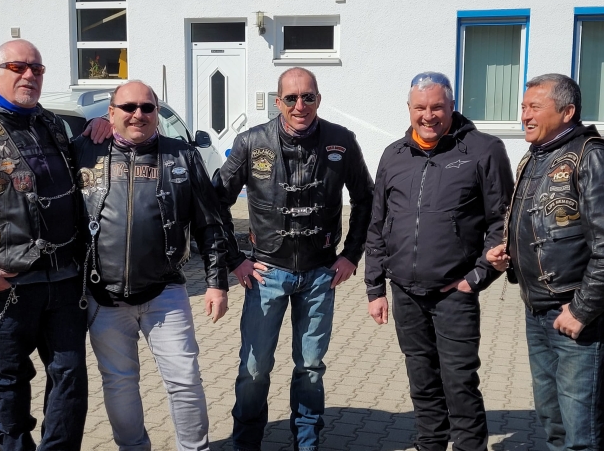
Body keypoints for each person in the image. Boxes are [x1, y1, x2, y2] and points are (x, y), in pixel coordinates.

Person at [213, 67, 374, 451]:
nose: (300, 105)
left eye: (308, 97)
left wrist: (351, 255)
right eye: (291, 98)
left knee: (311, 368)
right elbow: (214, 201)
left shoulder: (341, 140)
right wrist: (235, 260)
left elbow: (366, 198)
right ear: (278, 102)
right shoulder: (252, 142)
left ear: (319, 99)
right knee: (254, 370)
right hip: (266, 273)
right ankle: (246, 444)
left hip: (320, 274)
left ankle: (307, 443)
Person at [72, 80, 229, 451]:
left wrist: (216, 282)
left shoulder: (182, 155)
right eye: (128, 107)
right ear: (111, 113)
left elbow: (210, 223)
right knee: (119, 382)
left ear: (157, 113)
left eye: (147, 107)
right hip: (103, 296)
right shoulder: (83, 151)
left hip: (166, 292)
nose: (138, 114)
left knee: (185, 380)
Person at [366, 72, 514, 451]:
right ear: (409, 109)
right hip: (405, 292)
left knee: (459, 382)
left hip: (454, 293)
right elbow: (378, 223)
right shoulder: (394, 155)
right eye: (420, 108)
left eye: (437, 107)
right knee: (422, 382)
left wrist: (476, 278)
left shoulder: (483, 150)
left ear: (452, 106)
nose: (428, 116)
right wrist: (375, 288)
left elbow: (503, 222)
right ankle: (429, 444)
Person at [0, 39, 88, 450]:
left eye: (37, 69)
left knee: (70, 376)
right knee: (10, 379)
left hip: (64, 280)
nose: (29, 75)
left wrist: (102, 128)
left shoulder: (51, 122)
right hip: (7, 285)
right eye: (18, 67)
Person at [487, 74, 604, 449]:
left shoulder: (590, 156)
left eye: (535, 107)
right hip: (537, 311)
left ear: (567, 112)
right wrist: (507, 252)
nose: (524, 115)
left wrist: (582, 311)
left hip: (576, 317)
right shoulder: (534, 157)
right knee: (553, 421)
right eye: (523, 107)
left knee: (581, 432)